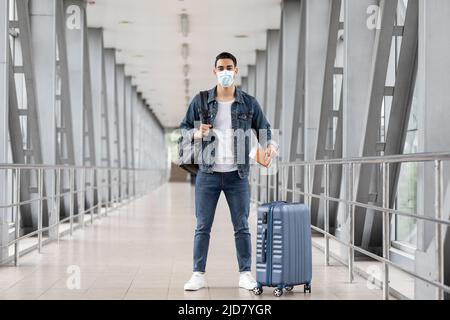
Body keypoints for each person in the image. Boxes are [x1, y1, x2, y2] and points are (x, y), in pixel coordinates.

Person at [179, 52, 278, 291]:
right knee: (202, 226)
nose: (225, 71)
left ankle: (245, 273)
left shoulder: (248, 102)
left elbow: (263, 128)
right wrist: (196, 133)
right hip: (208, 174)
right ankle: (198, 274)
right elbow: (183, 130)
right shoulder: (201, 100)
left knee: (242, 225)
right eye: (220, 68)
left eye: (229, 67)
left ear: (236, 70)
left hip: (238, 175)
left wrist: (270, 147)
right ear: (215, 71)